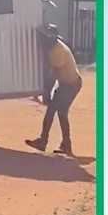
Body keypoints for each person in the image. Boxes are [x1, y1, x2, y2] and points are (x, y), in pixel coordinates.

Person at [25, 24, 82, 156]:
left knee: (61, 113)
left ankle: (64, 145)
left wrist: (46, 94)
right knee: (52, 111)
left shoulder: (57, 51)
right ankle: (45, 141)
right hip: (65, 84)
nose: (41, 40)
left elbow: (52, 76)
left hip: (71, 85)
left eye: (44, 37)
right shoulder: (53, 46)